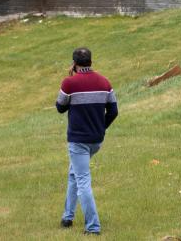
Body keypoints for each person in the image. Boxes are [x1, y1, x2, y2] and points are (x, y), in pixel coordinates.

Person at [55, 47, 118, 235]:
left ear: (74, 64)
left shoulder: (69, 83)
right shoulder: (104, 82)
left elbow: (60, 107)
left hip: (78, 141)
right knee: (74, 173)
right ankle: (67, 217)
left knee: (83, 181)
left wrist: (70, 85)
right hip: (96, 141)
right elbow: (113, 111)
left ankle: (93, 227)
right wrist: (100, 127)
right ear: (91, 61)